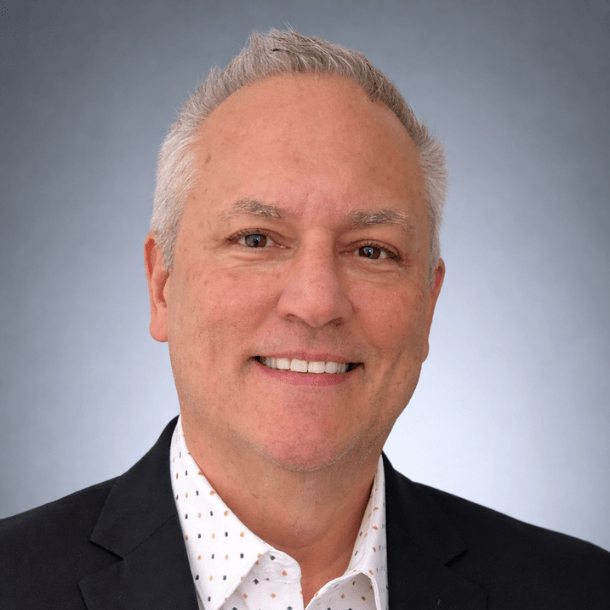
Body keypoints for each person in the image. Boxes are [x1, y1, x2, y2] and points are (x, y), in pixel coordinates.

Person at [1, 28, 608, 610]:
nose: (317, 303)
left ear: (428, 304)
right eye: (257, 239)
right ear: (163, 287)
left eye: (371, 250)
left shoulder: (580, 592)